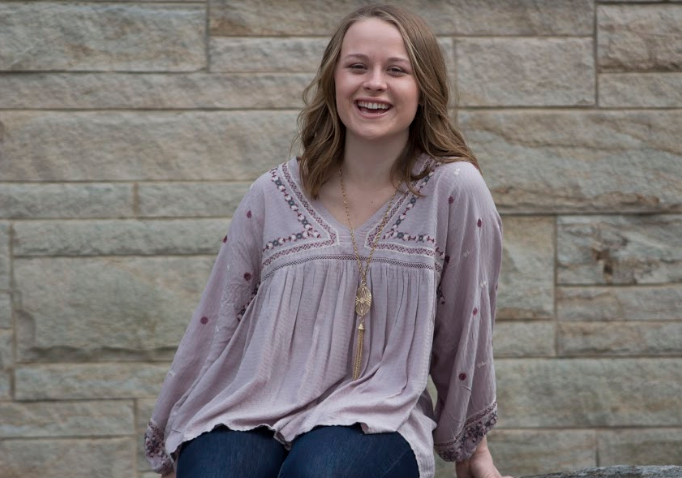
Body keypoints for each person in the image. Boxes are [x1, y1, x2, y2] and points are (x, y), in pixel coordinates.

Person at [144, 4, 512, 478]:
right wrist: (170, 441)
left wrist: (471, 450)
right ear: (333, 80)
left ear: (424, 88)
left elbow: (466, 327)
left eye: (396, 70)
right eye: (357, 66)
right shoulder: (272, 193)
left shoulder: (453, 189)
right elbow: (218, 319)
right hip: (247, 407)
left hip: (376, 415)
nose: (374, 83)